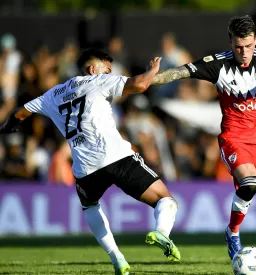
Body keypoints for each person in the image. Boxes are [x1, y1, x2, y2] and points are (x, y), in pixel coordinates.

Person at [150, 15, 256, 275]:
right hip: (236, 139)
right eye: (238, 47)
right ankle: (232, 232)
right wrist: (150, 78)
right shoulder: (218, 65)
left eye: (249, 46)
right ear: (230, 41)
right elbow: (181, 72)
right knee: (249, 183)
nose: (244, 53)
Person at [0, 49, 181, 275]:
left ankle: (117, 259)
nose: (110, 74)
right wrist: (152, 71)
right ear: (93, 70)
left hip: (85, 168)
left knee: (90, 207)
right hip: (116, 156)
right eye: (107, 69)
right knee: (166, 200)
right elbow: (140, 85)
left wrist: (9, 126)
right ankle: (162, 232)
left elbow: (20, 112)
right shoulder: (97, 81)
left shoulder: (53, 94)